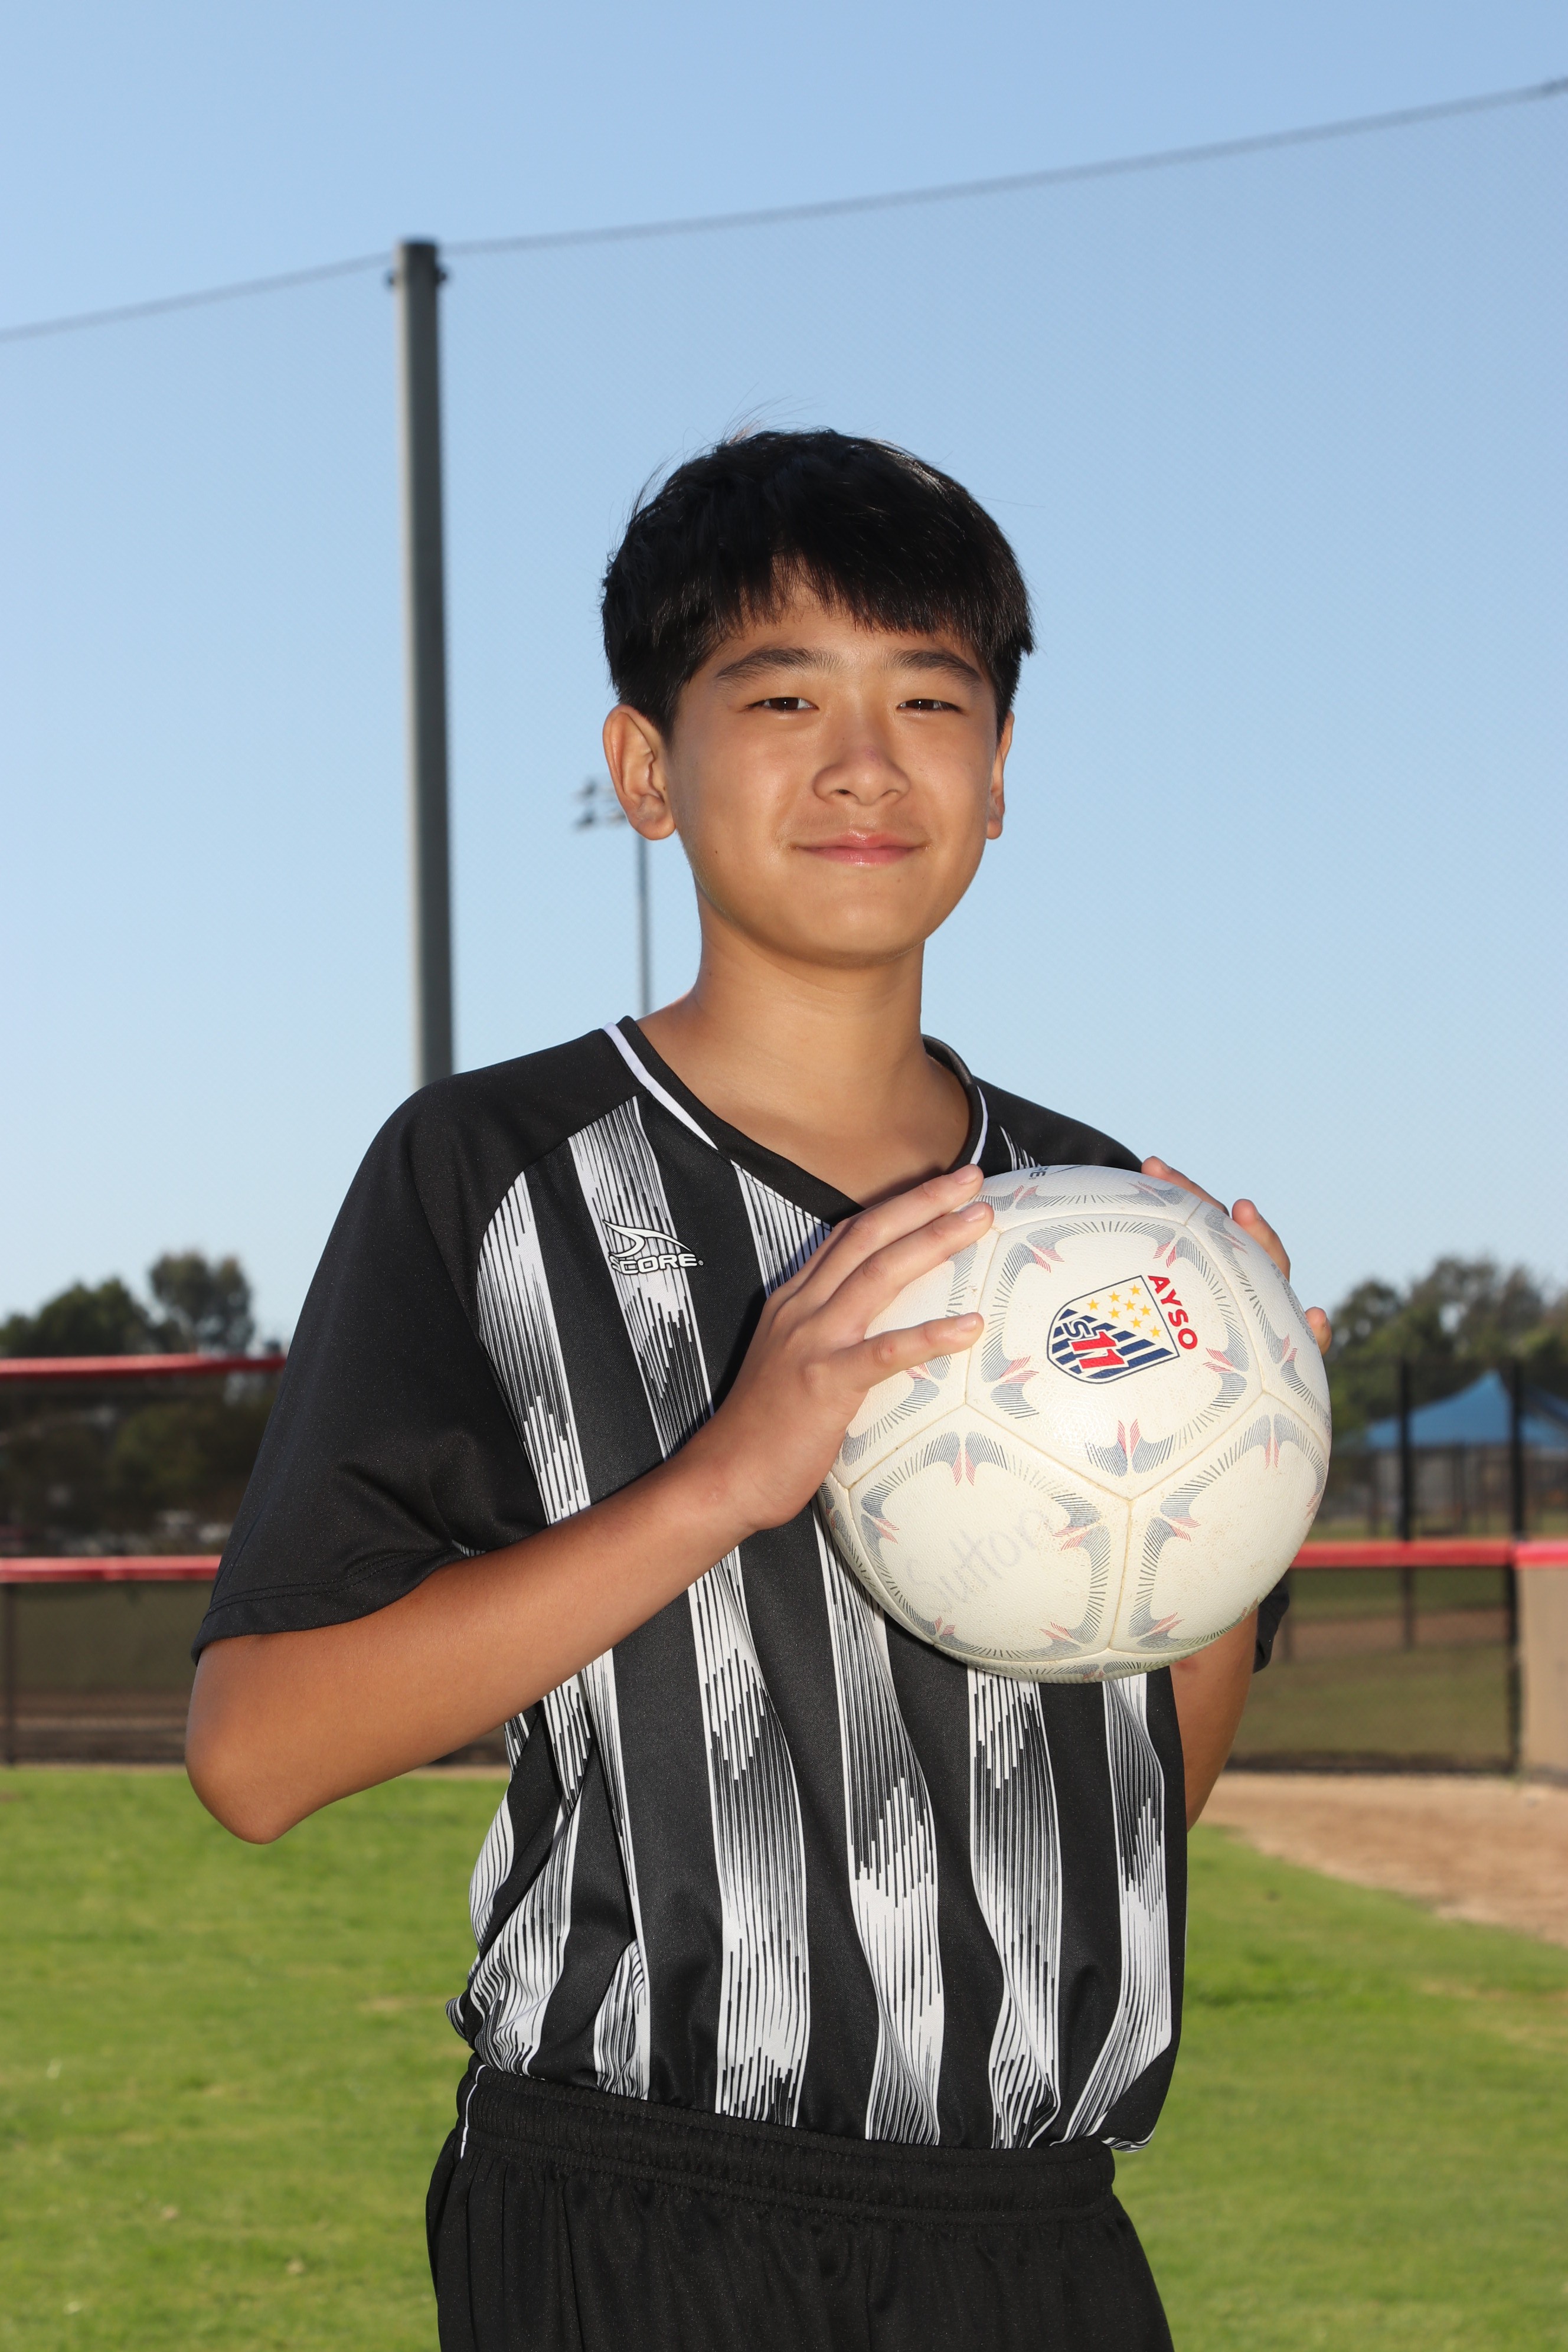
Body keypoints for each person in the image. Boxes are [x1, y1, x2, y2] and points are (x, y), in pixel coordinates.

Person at [187, 429, 1329, 2351]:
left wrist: (1239, 1469)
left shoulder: (1106, 1228)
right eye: (785, 697)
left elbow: (1148, 1793)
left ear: (998, 776)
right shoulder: (492, 1175)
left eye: (930, 702)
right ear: (648, 767)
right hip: (639, 2219)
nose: (866, 762)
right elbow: (257, 1753)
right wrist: (725, 1476)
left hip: (1033, 2232)